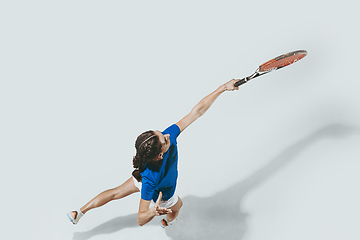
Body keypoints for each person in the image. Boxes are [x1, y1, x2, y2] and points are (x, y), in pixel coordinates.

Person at [67, 79, 239, 227]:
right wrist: (152, 212)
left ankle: (78, 213)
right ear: (159, 155)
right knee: (177, 206)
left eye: (160, 133)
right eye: (163, 139)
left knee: (115, 192)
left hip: (140, 175)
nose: (166, 136)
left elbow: (197, 111)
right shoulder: (150, 179)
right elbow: (140, 219)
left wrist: (223, 88)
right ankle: (168, 222)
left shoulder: (165, 138)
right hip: (161, 195)